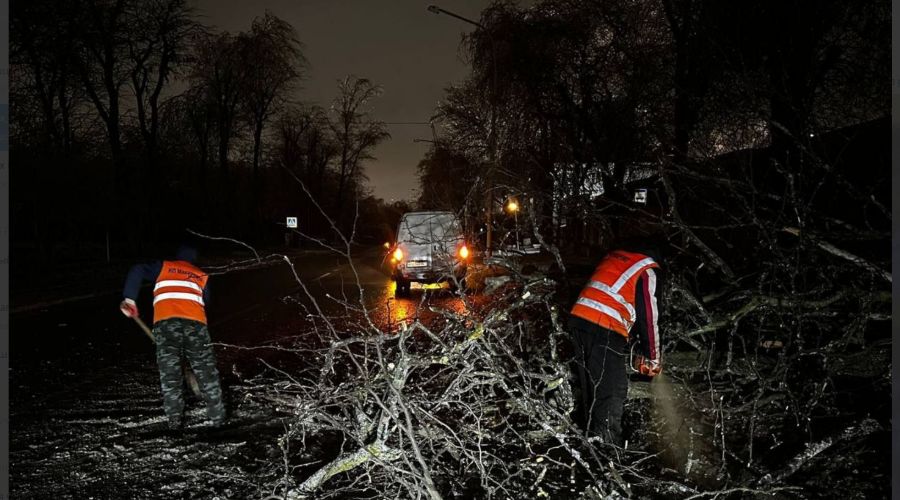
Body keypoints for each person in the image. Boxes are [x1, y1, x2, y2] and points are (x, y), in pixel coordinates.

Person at [119, 244, 226, 430]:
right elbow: (206, 303)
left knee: (170, 374)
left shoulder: (164, 267)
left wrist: (129, 299)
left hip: (166, 323)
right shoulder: (201, 275)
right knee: (206, 371)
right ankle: (218, 419)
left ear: (178, 257)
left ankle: (175, 422)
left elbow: (137, 269)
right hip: (196, 324)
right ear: (193, 260)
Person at [569, 245, 662, 445]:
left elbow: (622, 301)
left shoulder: (618, 257)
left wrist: (635, 344)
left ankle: (591, 444)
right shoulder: (647, 269)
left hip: (579, 319)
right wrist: (653, 357)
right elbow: (648, 316)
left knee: (592, 388)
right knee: (612, 389)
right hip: (605, 325)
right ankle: (608, 450)